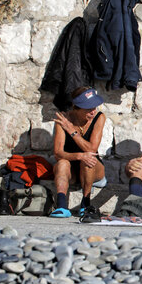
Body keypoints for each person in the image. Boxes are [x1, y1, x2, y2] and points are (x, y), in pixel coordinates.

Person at [50, 87, 107, 218]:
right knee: (61, 164)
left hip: (92, 167)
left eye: (95, 107)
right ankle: (62, 206)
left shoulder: (99, 117)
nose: (93, 111)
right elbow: (58, 153)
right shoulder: (64, 119)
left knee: (89, 159)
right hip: (72, 167)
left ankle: (85, 204)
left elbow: (92, 149)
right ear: (76, 107)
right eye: (88, 108)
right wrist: (80, 156)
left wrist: (72, 132)